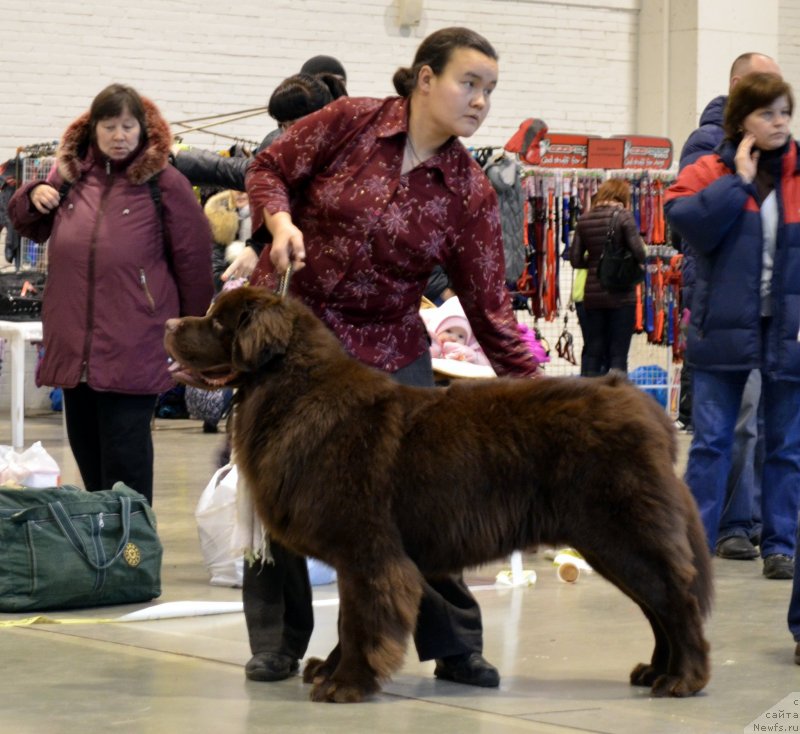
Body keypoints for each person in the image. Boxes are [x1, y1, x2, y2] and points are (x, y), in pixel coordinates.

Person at [243, 26, 539, 688]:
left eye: (490, 90)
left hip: (385, 347)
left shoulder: (469, 190)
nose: (481, 101)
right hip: (291, 336)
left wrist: (542, 393)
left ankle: (454, 643)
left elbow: (491, 309)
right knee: (273, 493)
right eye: (470, 83)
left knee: (418, 501)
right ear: (425, 78)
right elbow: (267, 168)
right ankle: (280, 641)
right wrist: (281, 223)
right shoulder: (348, 121)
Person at [8, 83, 214, 505]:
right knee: (89, 459)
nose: (119, 135)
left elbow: (194, 265)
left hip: (133, 344)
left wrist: (193, 340)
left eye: (127, 126)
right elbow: (28, 224)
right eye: (109, 126)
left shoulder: (166, 183)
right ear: (93, 129)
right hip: (72, 345)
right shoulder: (69, 176)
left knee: (126, 467)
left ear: (143, 130)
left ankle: (133, 559)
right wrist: (33, 195)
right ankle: (103, 557)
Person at [665, 72, 800, 581]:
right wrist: (737, 182)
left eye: (785, 111)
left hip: (786, 329)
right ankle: (694, 547)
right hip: (722, 326)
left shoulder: (799, 173)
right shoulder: (708, 170)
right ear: (742, 120)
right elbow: (685, 222)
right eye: (768, 112)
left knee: (785, 447)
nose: (780, 121)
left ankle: (781, 545)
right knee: (713, 442)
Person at [568, 179, 645, 376]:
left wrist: (596, 264)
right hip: (621, 295)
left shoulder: (584, 219)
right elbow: (640, 253)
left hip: (593, 296)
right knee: (618, 355)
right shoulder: (624, 217)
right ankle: (617, 401)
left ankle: (590, 402)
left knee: (593, 351)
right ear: (622, 196)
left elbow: (575, 260)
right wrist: (617, 264)